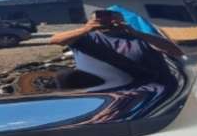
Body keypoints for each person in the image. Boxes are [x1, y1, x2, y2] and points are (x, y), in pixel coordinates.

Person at [49, 10, 183, 92]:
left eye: (112, 16)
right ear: (90, 21)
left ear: (122, 20)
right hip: (102, 95)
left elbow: (176, 52)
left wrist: (136, 33)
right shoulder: (83, 38)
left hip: (148, 92)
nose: (107, 20)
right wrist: (86, 29)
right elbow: (55, 40)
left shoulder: (139, 38)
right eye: (101, 17)